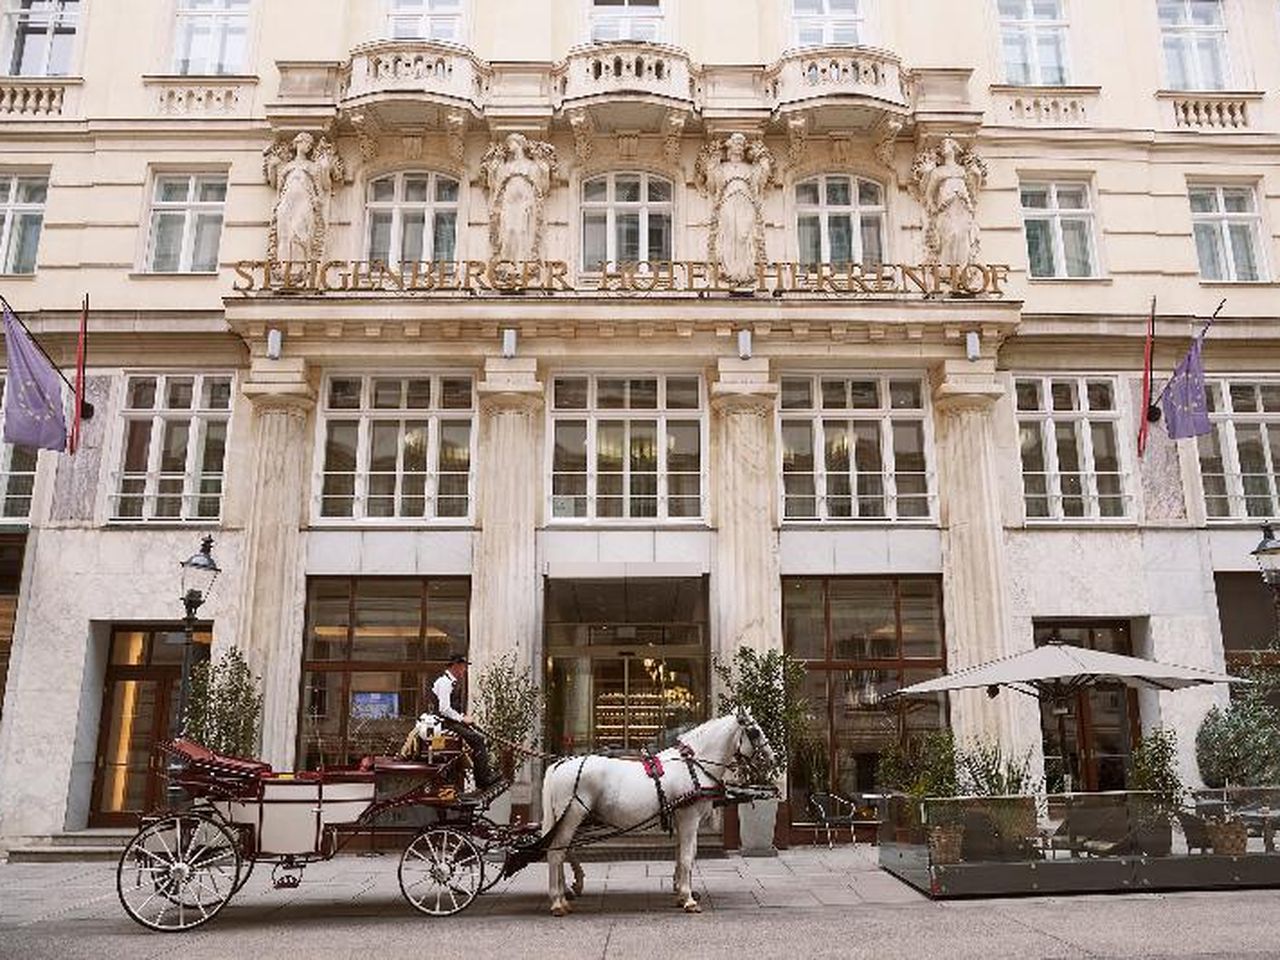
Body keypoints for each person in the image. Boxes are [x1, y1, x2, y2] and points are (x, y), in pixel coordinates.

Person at [431, 655, 497, 794]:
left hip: (449, 721)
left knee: (478, 738)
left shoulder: (450, 682)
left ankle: (484, 774)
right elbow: (444, 709)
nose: (464, 670)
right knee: (478, 740)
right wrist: (462, 718)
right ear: (455, 666)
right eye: (463, 666)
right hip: (444, 723)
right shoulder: (444, 682)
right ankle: (482, 780)